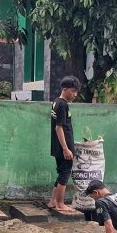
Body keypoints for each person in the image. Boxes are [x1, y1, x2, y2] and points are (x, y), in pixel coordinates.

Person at [48, 76, 80, 211]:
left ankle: (52, 202)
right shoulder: (63, 105)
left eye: (76, 91)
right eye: (73, 91)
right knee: (65, 174)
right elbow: (59, 128)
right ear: (65, 89)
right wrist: (66, 149)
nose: (75, 94)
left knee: (61, 172)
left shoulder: (56, 102)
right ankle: (60, 204)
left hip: (58, 146)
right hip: (63, 147)